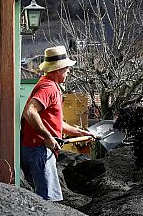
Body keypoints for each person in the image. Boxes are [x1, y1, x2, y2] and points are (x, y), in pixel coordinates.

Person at [21, 45, 91, 201]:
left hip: (38, 148)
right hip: (39, 150)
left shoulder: (51, 86)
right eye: (67, 69)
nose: (69, 72)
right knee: (48, 201)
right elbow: (29, 112)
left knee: (43, 198)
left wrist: (79, 133)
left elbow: (56, 123)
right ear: (59, 70)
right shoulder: (48, 88)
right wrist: (47, 137)